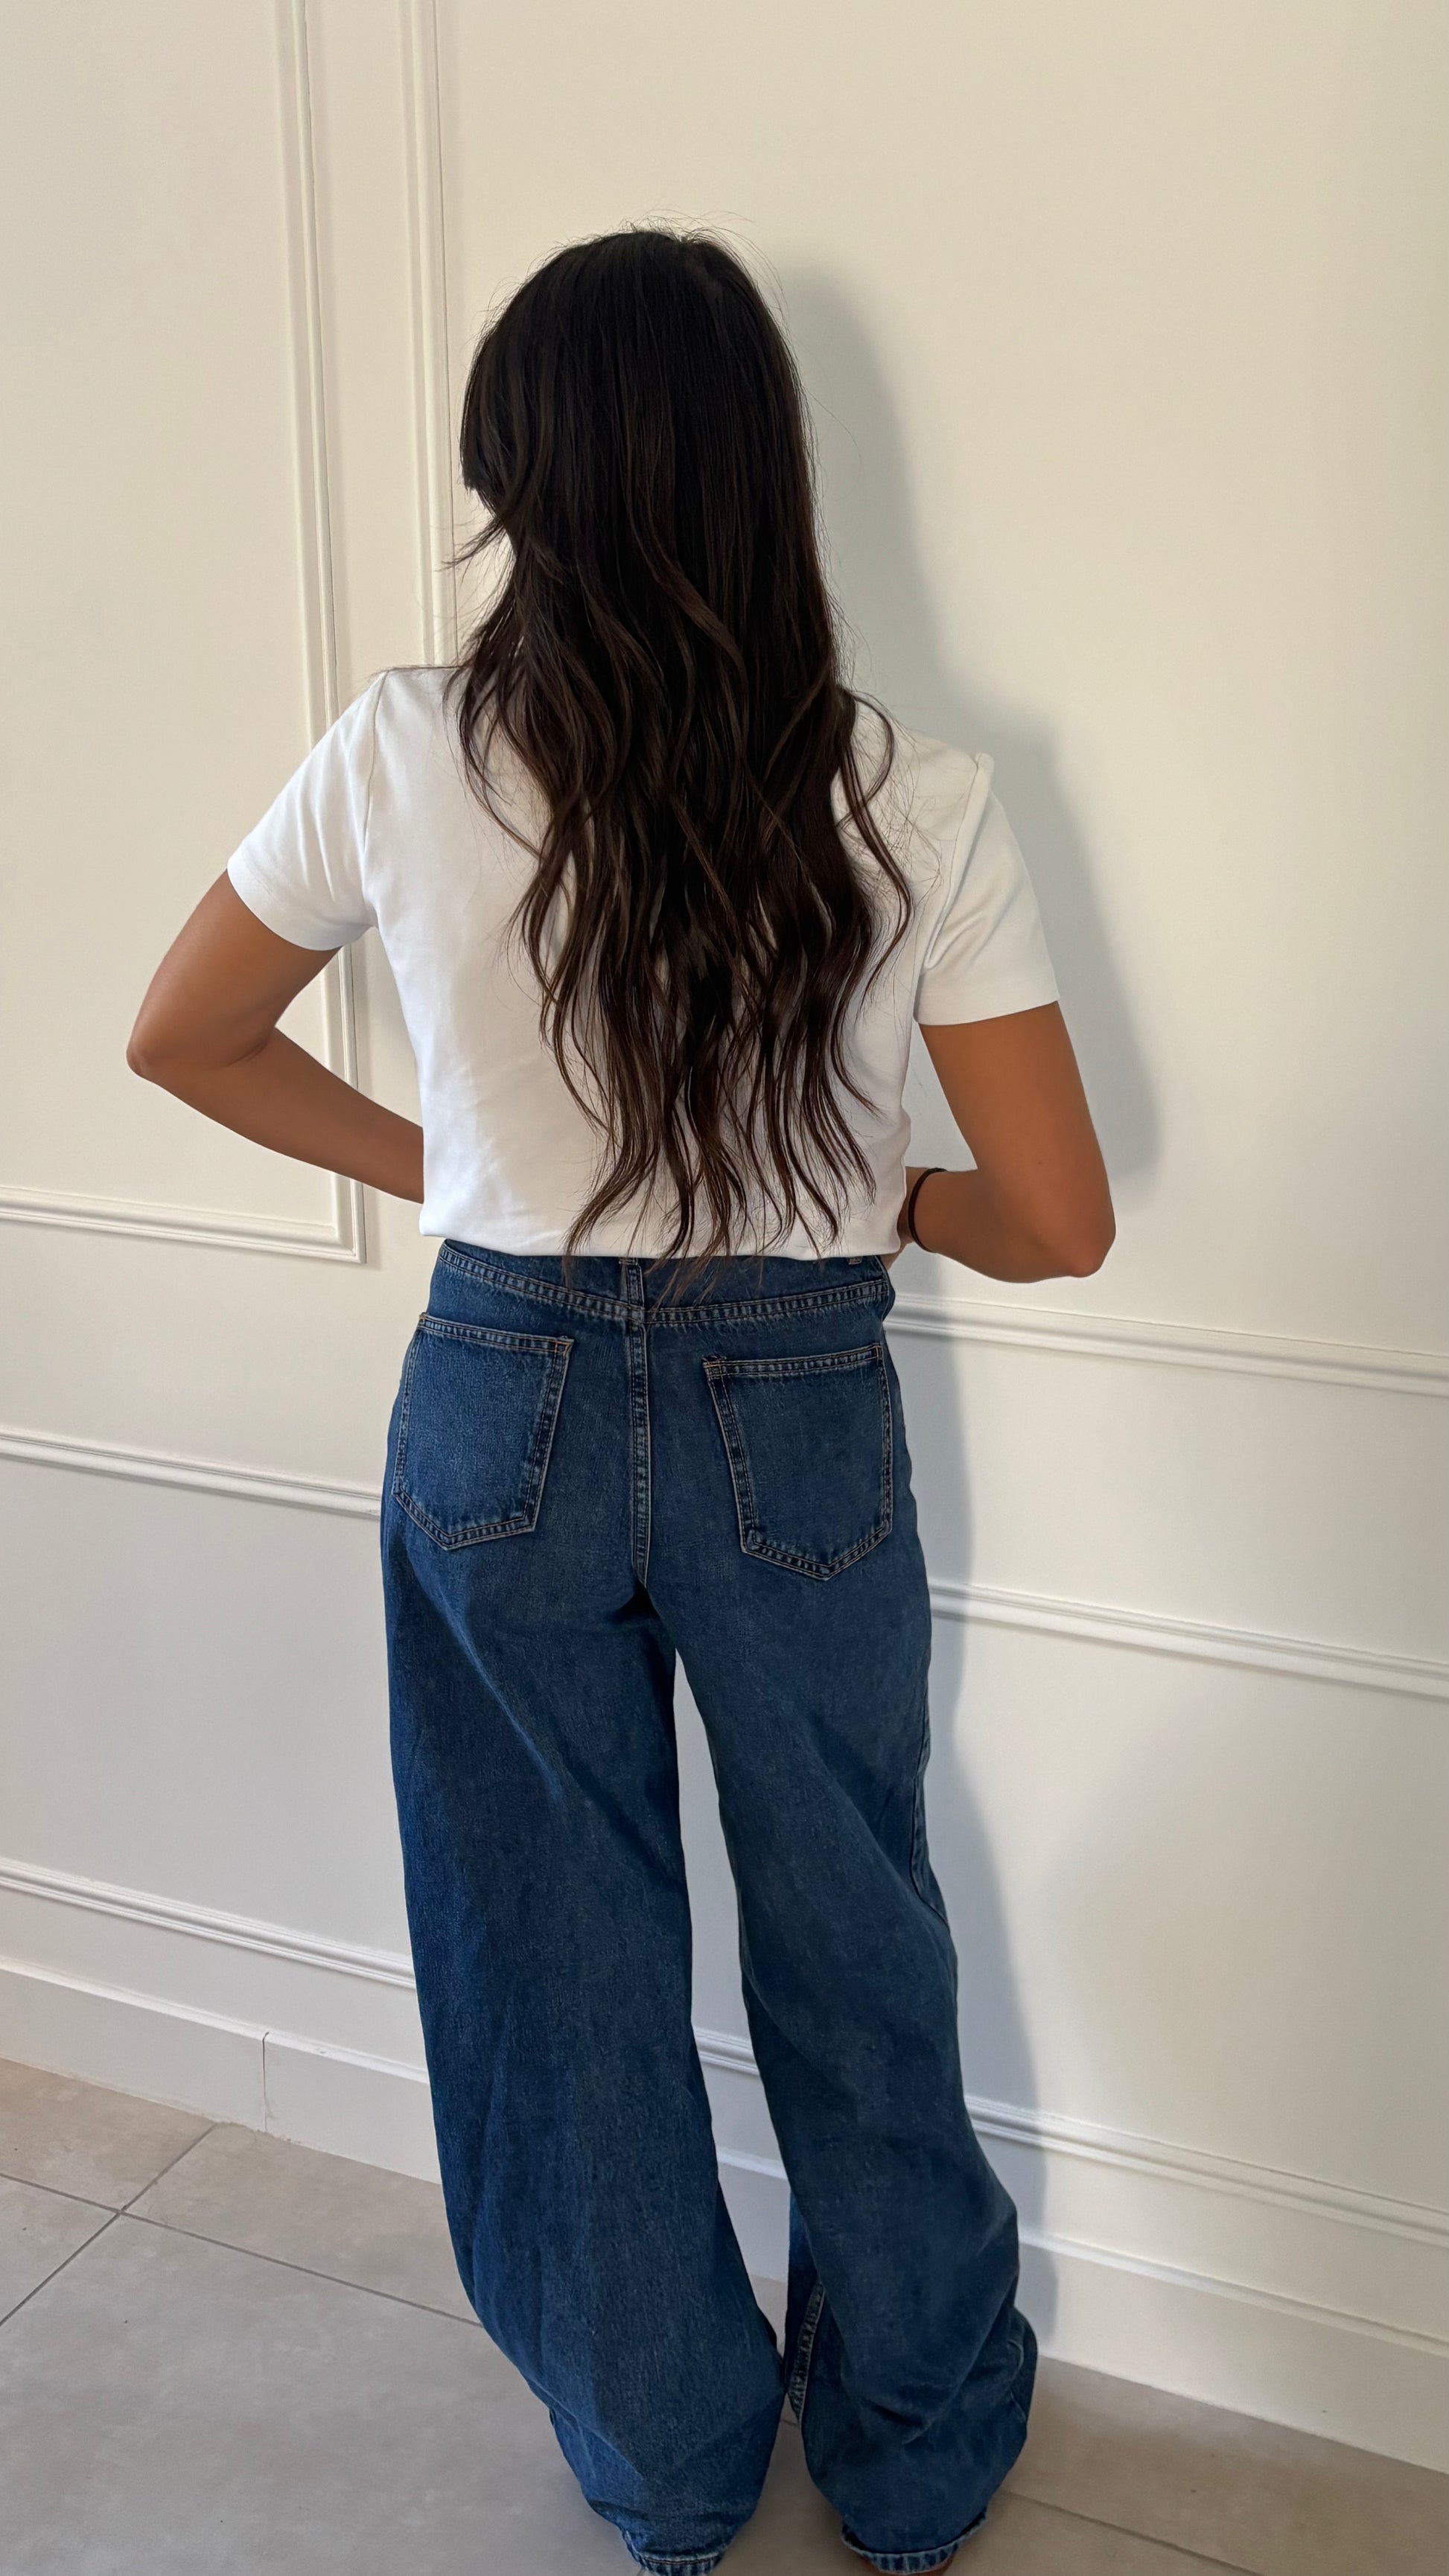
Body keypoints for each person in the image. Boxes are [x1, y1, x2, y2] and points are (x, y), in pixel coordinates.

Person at [127, 227, 1113, 2576]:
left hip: (506, 1398)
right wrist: (877, 1192)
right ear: (766, 466)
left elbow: (181, 1035)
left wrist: (460, 1173)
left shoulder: (401, 750)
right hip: (798, 1406)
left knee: (545, 1948)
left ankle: (667, 2458)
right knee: (854, 1928)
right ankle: (909, 2450)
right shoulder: (910, 790)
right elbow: (1058, 1216)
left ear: (520, 470)